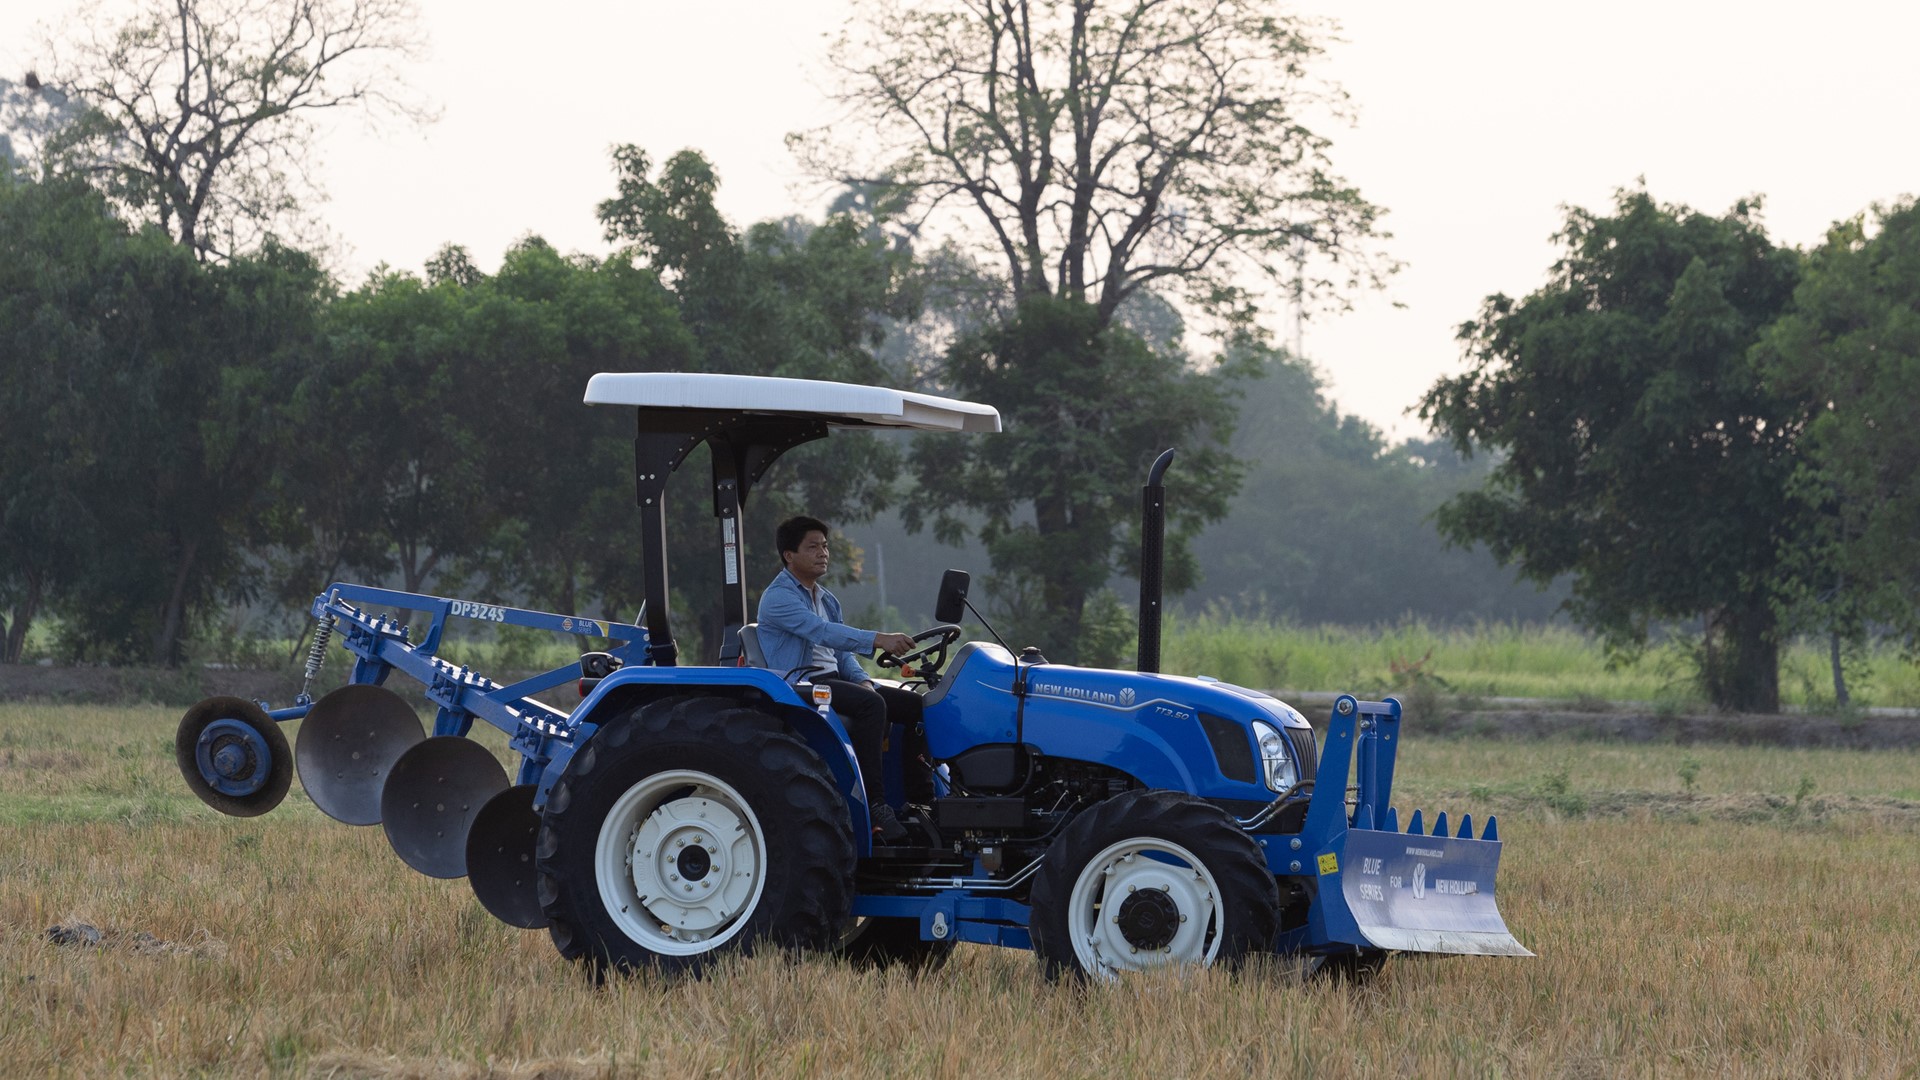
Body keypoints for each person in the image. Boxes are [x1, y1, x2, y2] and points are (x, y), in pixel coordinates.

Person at [756, 515, 921, 842]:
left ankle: (921, 800)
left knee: (919, 705)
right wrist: (878, 638)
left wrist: (862, 679)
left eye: (825, 546)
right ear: (790, 556)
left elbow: (841, 655)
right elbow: (821, 632)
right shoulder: (779, 598)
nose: (823, 553)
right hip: (800, 683)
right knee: (871, 706)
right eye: (813, 547)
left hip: (832, 680)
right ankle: (875, 805)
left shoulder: (826, 599)